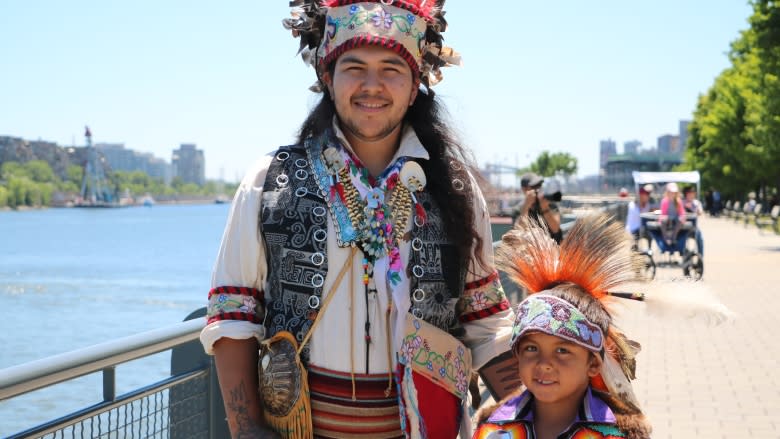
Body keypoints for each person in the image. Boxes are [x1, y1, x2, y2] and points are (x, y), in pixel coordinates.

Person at [199, 1, 517, 438]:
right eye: (354, 67)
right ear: (327, 78)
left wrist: (538, 412)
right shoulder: (269, 180)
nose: (372, 85)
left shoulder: (455, 188)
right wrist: (246, 429)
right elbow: (234, 315)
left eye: (391, 68)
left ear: (414, 85)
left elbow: (486, 321)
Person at [473, 213, 652, 438]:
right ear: (516, 356)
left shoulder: (615, 433)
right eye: (531, 348)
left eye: (562, 350)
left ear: (593, 364)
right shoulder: (493, 428)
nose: (544, 364)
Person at [513, 172, 562, 244]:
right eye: (534, 186)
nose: (538, 189)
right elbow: (518, 231)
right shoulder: (519, 208)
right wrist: (526, 206)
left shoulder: (549, 204)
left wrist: (545, 208)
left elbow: (556, 229)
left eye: (539, 185)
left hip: (553, 249)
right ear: (524, 189)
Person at [648, 182, 687, 255]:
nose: (672, 194)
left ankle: (674, 236)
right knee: (663, 221)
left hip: (676, 219)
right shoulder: (664, 201)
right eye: (671, 192)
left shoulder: (678, 201)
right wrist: (665, 217)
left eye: (674, 192)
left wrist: (682, 217)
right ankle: (665, 237)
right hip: (667, 219)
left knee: (680, 221)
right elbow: (663, 213)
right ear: (668, 192)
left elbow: (681, 212)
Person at [682, 185, 704, 256]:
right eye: (689, 193)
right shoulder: (682, 202)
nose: (691, 195)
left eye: (693, 193)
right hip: (682, 226)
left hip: (693, 227)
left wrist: (692, 208)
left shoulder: (696, 203)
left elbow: (700, 212)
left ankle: (700, 255)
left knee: (700, 238)